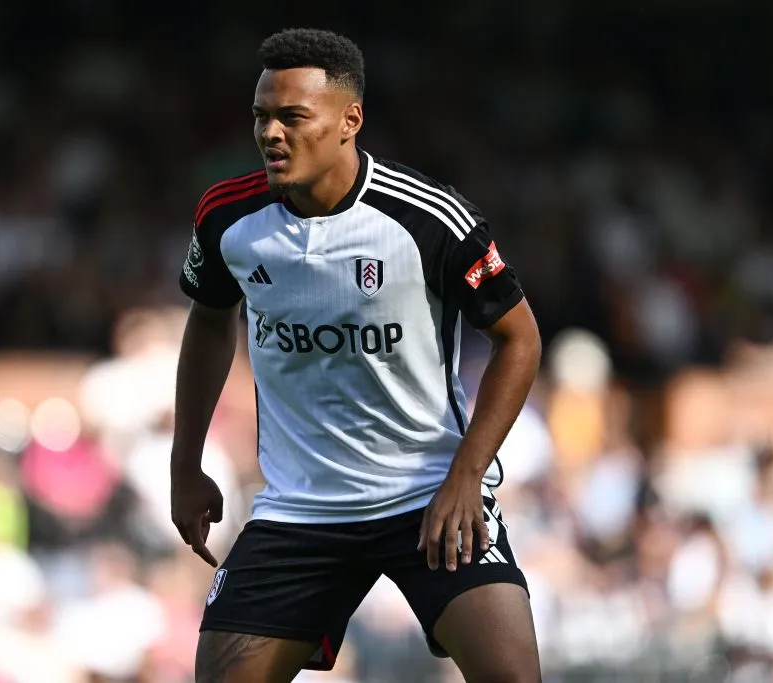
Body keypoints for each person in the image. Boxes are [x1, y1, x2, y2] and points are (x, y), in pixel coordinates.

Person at [171, 28, 543, 683]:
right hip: (301, 507)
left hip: (428, 495)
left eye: (293, 117)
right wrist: (185, 462)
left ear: (350, 120)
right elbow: (208, 321)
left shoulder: (429, 219)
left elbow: (521, 338)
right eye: (261, 116)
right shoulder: (227, 217)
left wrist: (467, 473)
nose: (271, 134)